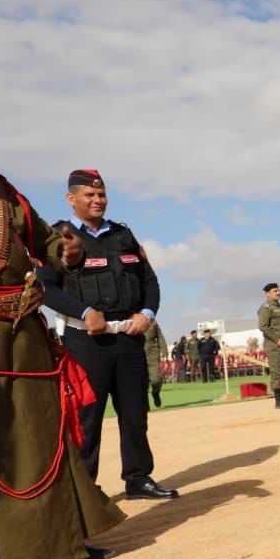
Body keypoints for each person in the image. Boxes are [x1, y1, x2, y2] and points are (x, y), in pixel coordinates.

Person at [0, 143, 127, 559]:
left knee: (45, 432)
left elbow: (46, 239)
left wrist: (63, 250)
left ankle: (63, 546)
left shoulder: (2, 190)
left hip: (26, 335)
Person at [39, 169, 177, 500]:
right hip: (85, 343)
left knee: (134, 413)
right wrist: (85, 312)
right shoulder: (59, 238)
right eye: (89, 195)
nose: (98, 200)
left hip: (128, 339)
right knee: (87, 419)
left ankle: (138, 478)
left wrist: (147, 314)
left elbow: (149, 282)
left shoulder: (124, 236)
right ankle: (87, 491)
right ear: (71, 199)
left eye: (101, 194)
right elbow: (47, 289)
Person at [143, 317, 166, 407]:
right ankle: (145, 405)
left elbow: (160, 337)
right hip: (137, 354)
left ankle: (155, 393)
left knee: (156, 379)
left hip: (152, 353)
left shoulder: (153, 322)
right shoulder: (131, 318)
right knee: (141, 382)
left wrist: (164, 351)